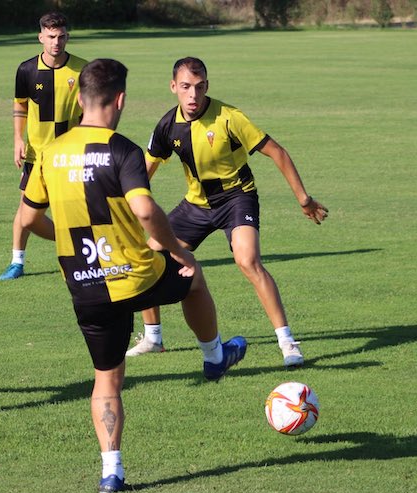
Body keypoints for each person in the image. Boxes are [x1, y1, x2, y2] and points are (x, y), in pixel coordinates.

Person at [19, 58, 247, 493]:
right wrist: (177, 248)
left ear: (79, 98)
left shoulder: (50, 153)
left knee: (108, 379)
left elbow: (28, 220)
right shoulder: (122, 149)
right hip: (136, 277)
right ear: (120, 99)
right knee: (193, 276)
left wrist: (67, 239)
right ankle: (214, 355)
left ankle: (111, 472)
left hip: (85, 286)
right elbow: (144, 209)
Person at [126, 56, 328, 368]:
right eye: (186, 87)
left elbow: (277, 152)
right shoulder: (167, 125)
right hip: (195, 206)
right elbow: (144, 173)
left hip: (237, 199)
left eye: (200, 86)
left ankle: (287, 342)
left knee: (247, 260)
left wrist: (304, 199)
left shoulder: (229, 118)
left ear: (207, 85)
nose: (193, 95)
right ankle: (153, 338)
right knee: (148, 257)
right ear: (173, 87)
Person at [0, 11, 88, 281]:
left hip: (71, 154)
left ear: (67, 37)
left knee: (77, 207)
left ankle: (83, 254)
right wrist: (17, 139)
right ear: (41, 37)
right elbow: (20, 104)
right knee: (26, 212)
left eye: (61, 37)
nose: (56, 42)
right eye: (50, 37)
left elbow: (91, 108)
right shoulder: (26, 69)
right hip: (37, 154)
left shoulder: (84, 68)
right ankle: (17, 262)